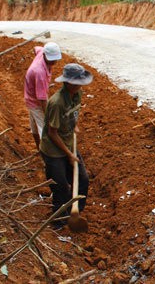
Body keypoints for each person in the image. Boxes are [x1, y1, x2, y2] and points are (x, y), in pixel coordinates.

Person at [39, 63, 93, 228]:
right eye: (77, 82)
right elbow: (52, 132)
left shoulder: (77, 93)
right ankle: (58, 222)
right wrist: (69, 155)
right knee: (60, 186)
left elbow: (74, 112)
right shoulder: (56, 103)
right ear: (68, 82)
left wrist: (74, 125)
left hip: (69, 142)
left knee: (82, 179)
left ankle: (75, 213)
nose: (81, 85)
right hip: (53, 150)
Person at [24, 42, 62, 150]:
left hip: (29, 95)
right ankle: (47, 155)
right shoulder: (39, 72)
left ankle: (38, 149)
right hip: (34, 101)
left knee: (35, 126)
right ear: (45, 55)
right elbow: (42, 100)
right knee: (44, 129)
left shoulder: (41, 51)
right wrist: (49, 117)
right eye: (52, 59)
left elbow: (35, 48)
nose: (54, 61)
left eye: (55, 58)